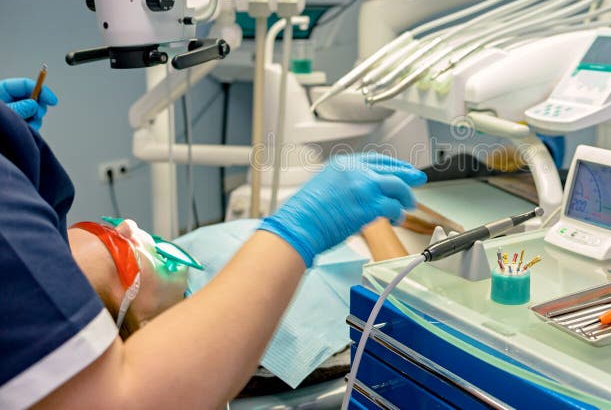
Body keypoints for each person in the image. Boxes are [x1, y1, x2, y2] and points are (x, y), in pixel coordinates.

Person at [0, 76, 426, 409]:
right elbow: (122, 399)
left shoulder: (191, 256)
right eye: (119, 251)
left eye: (108, 225)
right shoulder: (252, 331)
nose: (130, 227)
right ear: (144, 326)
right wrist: (343, 226)